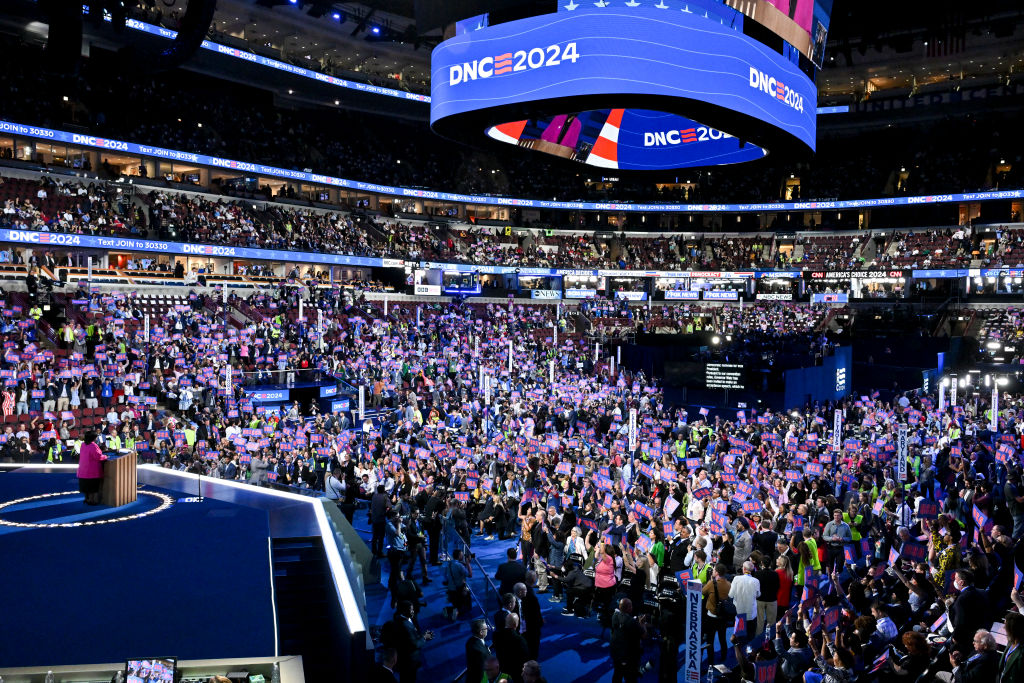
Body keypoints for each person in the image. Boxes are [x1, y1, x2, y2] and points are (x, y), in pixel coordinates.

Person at [934, 629, 999, 683]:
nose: (973, 643)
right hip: (962, 673)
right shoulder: (982, 651)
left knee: (938, 675)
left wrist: (955, 666)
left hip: (961, 678)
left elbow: (963, 680)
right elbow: (970, 662)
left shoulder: (986, 661)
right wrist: (961, 657)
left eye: (975, 641)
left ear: (984, 645)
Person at [609, 597, 646, 683]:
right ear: (629, 608)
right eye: (631, 606)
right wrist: (642, 623)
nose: (632, 607)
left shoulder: (615, 616)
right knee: (631, 678)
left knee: (617, 674)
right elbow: (644, 635)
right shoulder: (632, 622)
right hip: (628, 657)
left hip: (616, 654)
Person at [701, 563, 732, 664]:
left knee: (710, 640)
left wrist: (710, 580)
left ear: (717, 573)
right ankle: (724, 657)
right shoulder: (729, 584)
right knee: (722, 638)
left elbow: (702, 591)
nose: (712, 571)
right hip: (723, 616)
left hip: (712, 616)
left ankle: (710, 661)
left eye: (714, 570)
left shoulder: (711, 583)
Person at [492, 613, 528, 683]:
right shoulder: (519, 640)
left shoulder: (496, 636)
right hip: (517, 674)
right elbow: (525, 658)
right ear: (516, 624)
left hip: (503, 671)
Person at [728, 561, 761, 637]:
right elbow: (758, 595)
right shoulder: (756, 581)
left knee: (740, 637)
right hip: (751, 613)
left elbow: (730, 595)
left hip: (740, 612)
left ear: (744, 569)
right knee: (751, 637)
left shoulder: (736, 579)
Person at [515, 581, 543, 660]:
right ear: (520, 592)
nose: (526, 591)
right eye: (525, 590)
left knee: (533, 652)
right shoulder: (512, 602)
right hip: (519, 633)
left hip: (532, 631)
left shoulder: (532, 599)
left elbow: (537, 614)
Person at [77, 430, 106, 505]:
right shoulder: (93, 445)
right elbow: (98, 457)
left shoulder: (83, 444)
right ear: (93, 437)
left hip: (83, 470)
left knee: (86, 487)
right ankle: (92, 501)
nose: (96, 438)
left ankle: (87, 499)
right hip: (92, 470)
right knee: (93, 487)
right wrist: (105, 456)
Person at [997, 612, 1023, 683]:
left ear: (1012, 628)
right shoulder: (1010, 642)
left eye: (1005, 625)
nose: (1003, 627)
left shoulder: (1022, 652)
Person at [466, 619, 491, 683]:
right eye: (486, 628)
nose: (488, 628)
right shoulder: (481, 652)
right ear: (481, 632)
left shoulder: (470, 641)